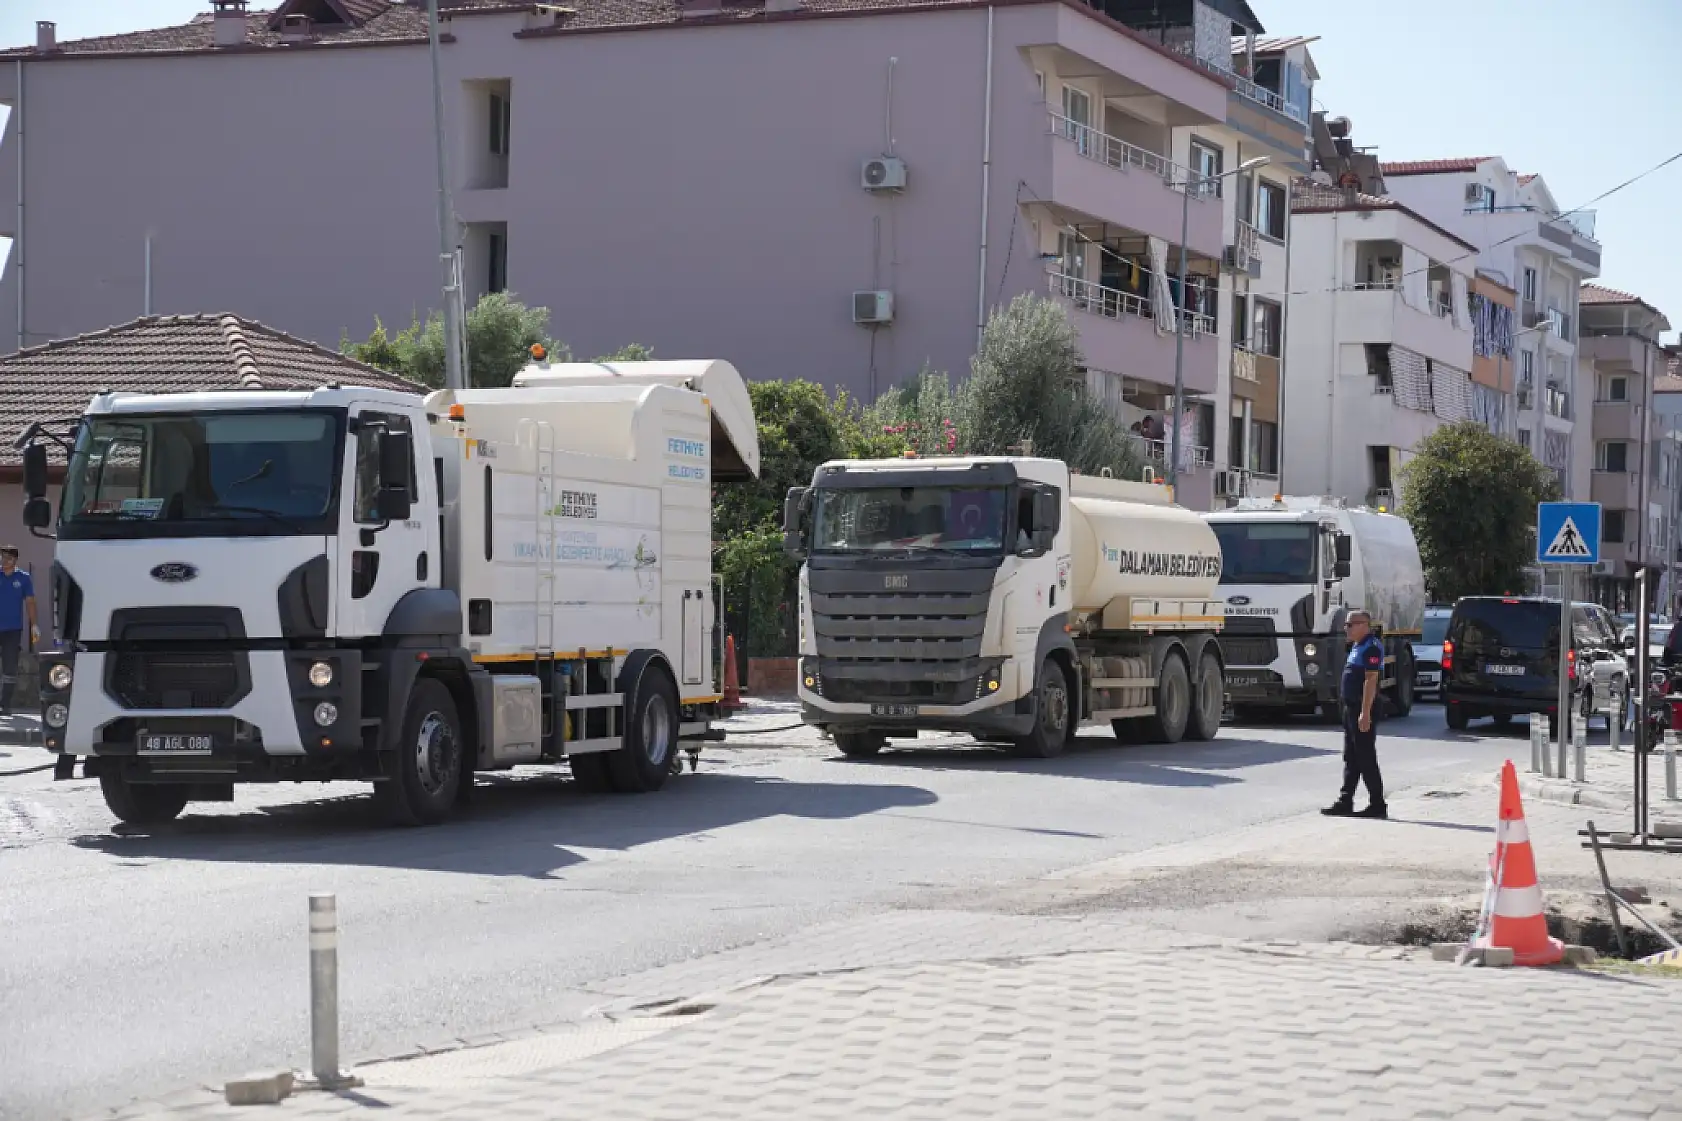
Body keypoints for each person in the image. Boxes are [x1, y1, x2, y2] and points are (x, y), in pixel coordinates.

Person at [1323, 608, 1387, 819]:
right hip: (1350, 708)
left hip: (1362, 708)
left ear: (1364, 625)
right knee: (1351, 756)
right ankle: (1345, 800)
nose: (1346, 628)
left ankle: (1377, 804)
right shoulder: (1357, 646)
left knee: (1365, 756)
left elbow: (1371, 680)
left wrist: (1365, 713)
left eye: (1350, 625)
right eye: (1346, 625)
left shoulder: (1372, 647)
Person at [0, 546, 38, 714]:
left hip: (12, 630)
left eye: (8, 558)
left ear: (15, 560)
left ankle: (5, 704)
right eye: (2, 557)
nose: (4, 561)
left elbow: (30, 602)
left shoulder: (23, 578)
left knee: (10, 668)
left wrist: (34, 625)